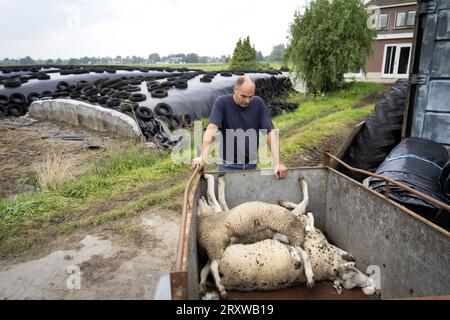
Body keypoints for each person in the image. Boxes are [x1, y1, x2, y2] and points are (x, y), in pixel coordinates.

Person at [191, 75, 288, 179]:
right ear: (235, 90)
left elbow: (270, 133)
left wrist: (277, 163)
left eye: (251, 96)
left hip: (251, 165)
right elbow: (212, 130)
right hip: (227, 166)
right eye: (243, 96)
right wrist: (203, 156)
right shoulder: (222, 103)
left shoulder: (258, 104)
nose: (247, 101)